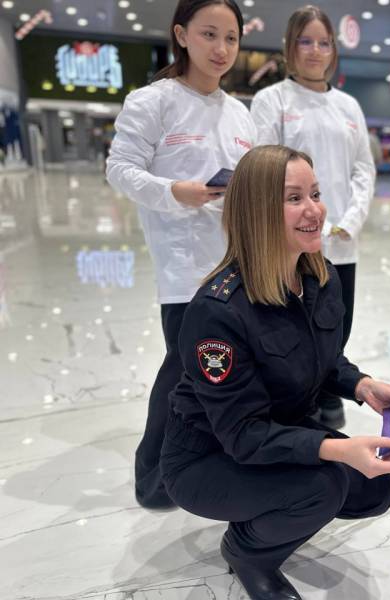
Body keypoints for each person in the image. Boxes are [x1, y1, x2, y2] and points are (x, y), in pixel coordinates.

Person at [160, 145, 390, 600]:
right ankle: (247, 552)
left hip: (276, 428)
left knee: (375, 489)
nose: (314, 210)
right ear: (257, 211)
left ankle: (269, 508)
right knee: (323, 486)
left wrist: (361, 385)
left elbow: (323, 358)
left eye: (315, 193)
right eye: (294, 198)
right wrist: (337, 449)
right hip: (209, 455)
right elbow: (243, 436)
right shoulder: (218, 312)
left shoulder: (318, 276)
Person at [106, 0, 256, 509]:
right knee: (183, 372)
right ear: (181, 34)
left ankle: (200, 461)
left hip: (236, 264)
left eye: (231, 38)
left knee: (220, 370)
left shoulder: (239, 113)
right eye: (209, 34)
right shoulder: (153, 101)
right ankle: (152, 477)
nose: (221, 48)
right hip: (184, 266)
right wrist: (174, 191)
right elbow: (120, 168)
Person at [250, 5, 375, 430]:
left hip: (340, 240)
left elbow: (363, 170)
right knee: (291, 327)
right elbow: (263, 171)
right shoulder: (272, 101)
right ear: (290, 46)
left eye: (324, 42)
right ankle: (296, 402)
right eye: (306, 41)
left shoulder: (349, 106)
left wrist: (350, 220)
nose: (315, 50)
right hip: (291, 243)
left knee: (336, 324)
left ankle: (328, 391)